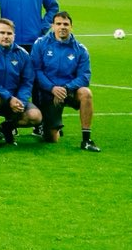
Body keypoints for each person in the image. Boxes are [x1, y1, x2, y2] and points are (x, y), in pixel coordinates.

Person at [31, 10, 99, 151]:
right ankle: (50, 126)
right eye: (59, 24)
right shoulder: (40, 44)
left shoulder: (80, 49)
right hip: (49, 92)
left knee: (86, 93)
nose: (62, 27)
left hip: (70, 91)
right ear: (53, 26)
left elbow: (84, 76)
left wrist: (66, 88)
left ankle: (86, 140)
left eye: (66, 24)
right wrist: (52, 88)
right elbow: (36, 70)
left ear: (71, 27)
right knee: (51, 139)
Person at [0, 17, 42, 147]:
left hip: (14, 98)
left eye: (9, 33)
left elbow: (27, 82)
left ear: (14, 36)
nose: (6, 36)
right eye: (2, 33)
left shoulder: (23, 54)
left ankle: (6, 127)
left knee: (36, 116)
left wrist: (20, 101)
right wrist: (9, 97)